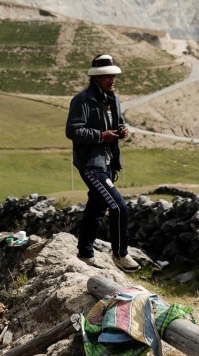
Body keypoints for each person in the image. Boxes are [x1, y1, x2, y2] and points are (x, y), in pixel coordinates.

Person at [66, 54, 139, 272]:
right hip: (90, 164)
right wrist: (100, 136)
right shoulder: (82, 100)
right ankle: (120, 255)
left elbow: (117, 124)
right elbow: (73, 130)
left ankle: (86, 253)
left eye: (113, 76)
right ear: (96, 78)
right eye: (107, 76)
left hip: (107, 162)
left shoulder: (113, 99)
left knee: (96, 208)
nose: (112, 80)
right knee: (118, 206)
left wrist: (122, 130)